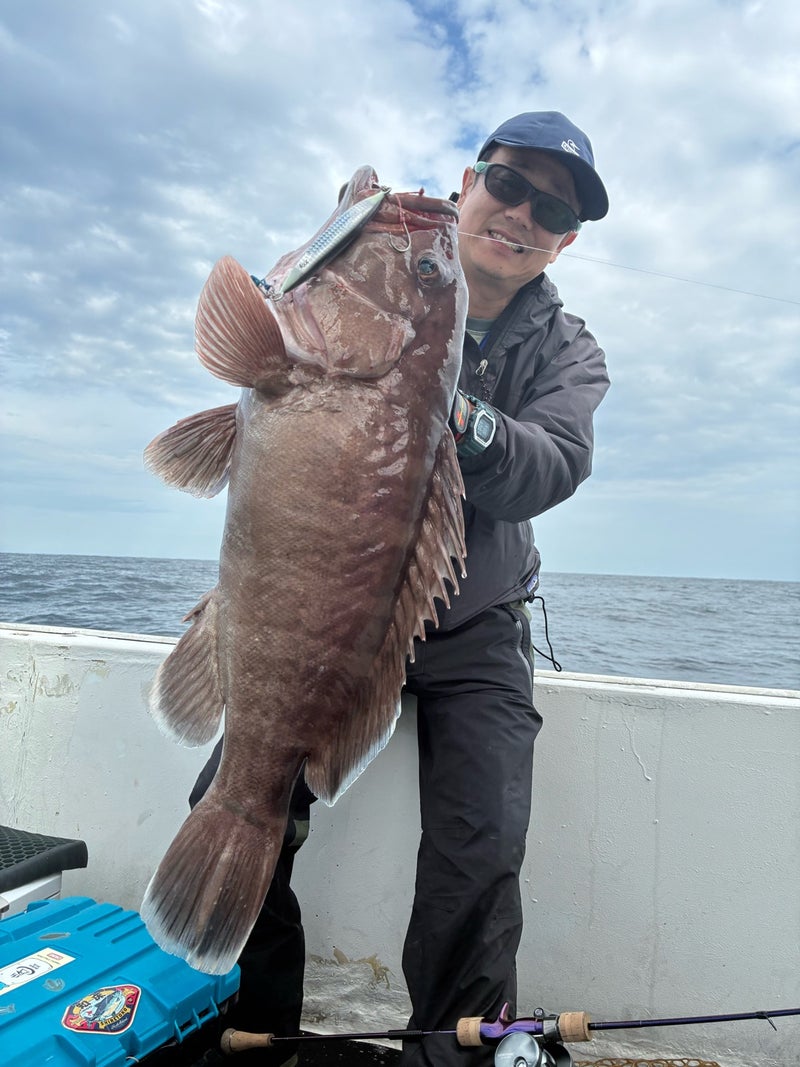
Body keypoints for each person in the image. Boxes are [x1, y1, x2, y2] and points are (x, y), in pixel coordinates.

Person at [193, 110, 610, 1067]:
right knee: (235, 791)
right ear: (469, 183)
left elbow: (550, 464)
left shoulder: (570, 351)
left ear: (567, 240)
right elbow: (257, 345)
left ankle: (455, 1055)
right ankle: (254, 1035)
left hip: (475, 626)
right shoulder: (381, 261)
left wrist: (439, 402)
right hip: (326, 605)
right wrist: (343, 261)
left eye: (552, 208)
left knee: (482, 841)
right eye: (509, 185)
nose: (522, 213)